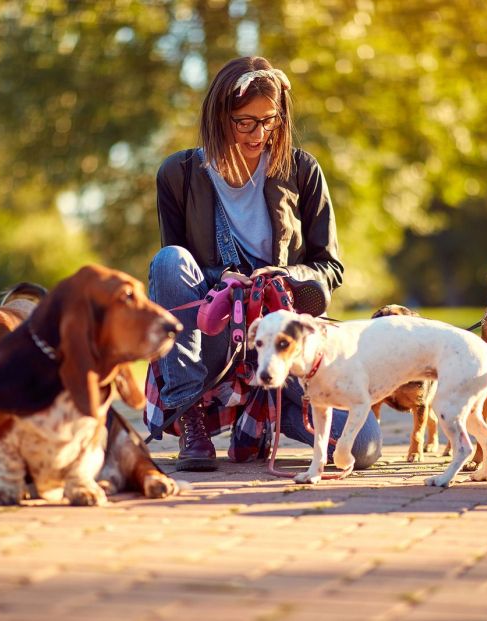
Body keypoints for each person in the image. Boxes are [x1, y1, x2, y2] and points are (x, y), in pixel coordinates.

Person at [144, 56, 382, 472]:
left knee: (361, 450)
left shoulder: (303, 169)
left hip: (284, 339)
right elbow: (177, 277)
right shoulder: (177, 174)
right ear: (220, 117)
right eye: (245, 122)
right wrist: (223, 278)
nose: (260, 134)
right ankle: (190, 418)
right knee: (167, 261)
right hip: (214, 333)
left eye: (270, 121)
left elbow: (330, 266)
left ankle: (264, 422)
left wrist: (288, 276)